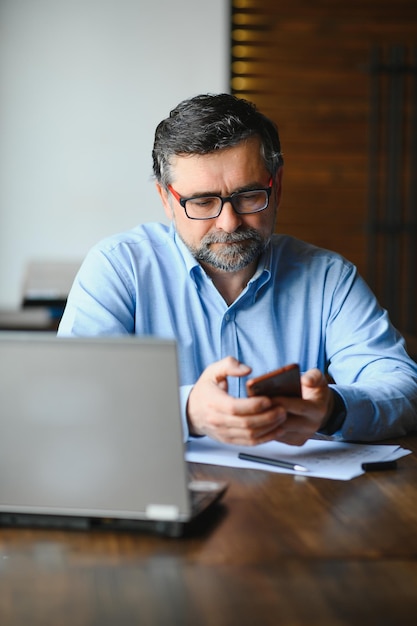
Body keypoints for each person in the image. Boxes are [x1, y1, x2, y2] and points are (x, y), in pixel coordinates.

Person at [58, 93, 417, 446]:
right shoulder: (119, 268)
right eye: (202, 201)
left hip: (295, 497)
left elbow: (403, 388)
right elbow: (71, 398)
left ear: (277, 189)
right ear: (166, 200)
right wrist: (186, 411)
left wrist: (334, 410)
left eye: (248, 196)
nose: (229, 223)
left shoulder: (329, 279)